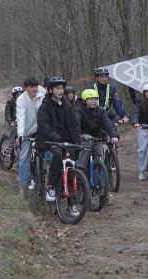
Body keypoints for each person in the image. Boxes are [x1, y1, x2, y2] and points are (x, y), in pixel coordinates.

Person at [36, 76, 81, 210]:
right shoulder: (44, 106)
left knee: (72, 167)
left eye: (62, 88)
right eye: (57, 88)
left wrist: (77, 141)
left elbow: (74, 124)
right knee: (56, 155)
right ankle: (51, 186)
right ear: (50, 90)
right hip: (49, 141)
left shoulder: (67, 105)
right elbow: (44, 126)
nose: (60, 91)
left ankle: (72, 202)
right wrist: (58, 140)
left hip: (66, 141)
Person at [74, 88, 119, 178]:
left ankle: (105, 169)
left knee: (105, 147)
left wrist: (114, 135)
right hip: (84, 136)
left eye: (95, 99)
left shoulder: (101, 111)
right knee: (87, 146)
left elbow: (108, 124)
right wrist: (77, 136)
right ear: (85, 101)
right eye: (91, 99)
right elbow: (76, 125)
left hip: (98, 136)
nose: (94, 101)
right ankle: (81, 170)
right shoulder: (79, 111)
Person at [15, 78, 46, 196]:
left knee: (48, 155)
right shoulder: (21, 100)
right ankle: (24, 186)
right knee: (23, 158)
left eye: (36, 86)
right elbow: (20, 117)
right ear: (26, 88)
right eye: (31, 87)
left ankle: (46, 182)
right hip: (26, 132)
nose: (34, 89)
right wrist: (21, 134)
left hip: (40, 131)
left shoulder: (42, 95)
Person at [5, 86, 23, 150]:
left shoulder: (24, 101)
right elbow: (8, 113)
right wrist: (10, 121)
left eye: (21, 93)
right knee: (14, 129)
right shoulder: (10, 102)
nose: (19, 95)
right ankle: (10, 145)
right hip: (12, 121)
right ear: (14, 95)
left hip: (20, 121)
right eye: (18, 94)